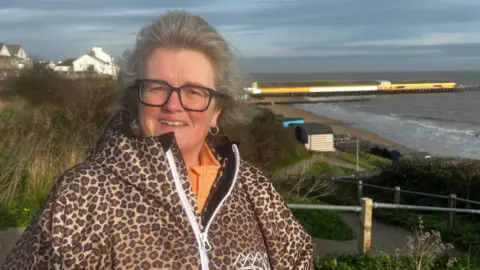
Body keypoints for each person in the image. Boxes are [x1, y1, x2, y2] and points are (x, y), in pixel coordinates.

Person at [2, 10, 313, 269]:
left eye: (194, 92)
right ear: (134, 100)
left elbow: (299, 258)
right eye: (156, 88)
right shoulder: (80, 197)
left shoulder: (254, 189)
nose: (173, 105)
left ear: (218, 111)